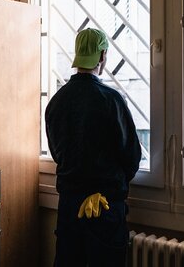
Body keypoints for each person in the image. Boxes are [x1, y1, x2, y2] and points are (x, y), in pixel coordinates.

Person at [45, 28, 142, 266]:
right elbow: (131, 156)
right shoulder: (111, 100)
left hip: (69, 208)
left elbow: (57, 153)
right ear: (102, 56)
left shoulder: (56, 102)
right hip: (105, 207)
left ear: (77, 55)